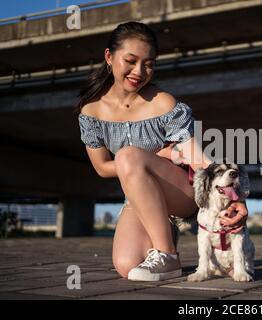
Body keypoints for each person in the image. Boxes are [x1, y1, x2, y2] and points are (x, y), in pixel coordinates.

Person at [76, 21, 248, 281]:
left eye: (149, 63)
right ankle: (163, 232)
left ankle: (167, 255)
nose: (139, 71)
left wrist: (237, 200)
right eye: (130, 61)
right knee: (127, 266)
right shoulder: (91, 112)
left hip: (180, 192)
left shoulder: (164, 103)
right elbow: (101, 167)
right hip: (139, 197)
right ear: (109, 57)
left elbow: (197, 159)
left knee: (127, 155)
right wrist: (152, 157)